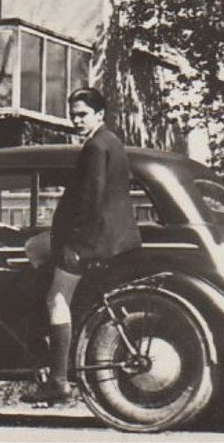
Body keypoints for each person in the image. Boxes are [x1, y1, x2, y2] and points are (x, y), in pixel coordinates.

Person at [23, 88, 142, 404]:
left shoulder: (95, 146)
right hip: (110, 237)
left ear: (99, 115)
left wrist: (73, 244)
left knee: (56, 299)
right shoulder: (111, 142)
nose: (76, 120)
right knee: (35, 247)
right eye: (73, 114)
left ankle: (58, 381)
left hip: (92, 240)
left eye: (82, 115)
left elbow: (91, 198)